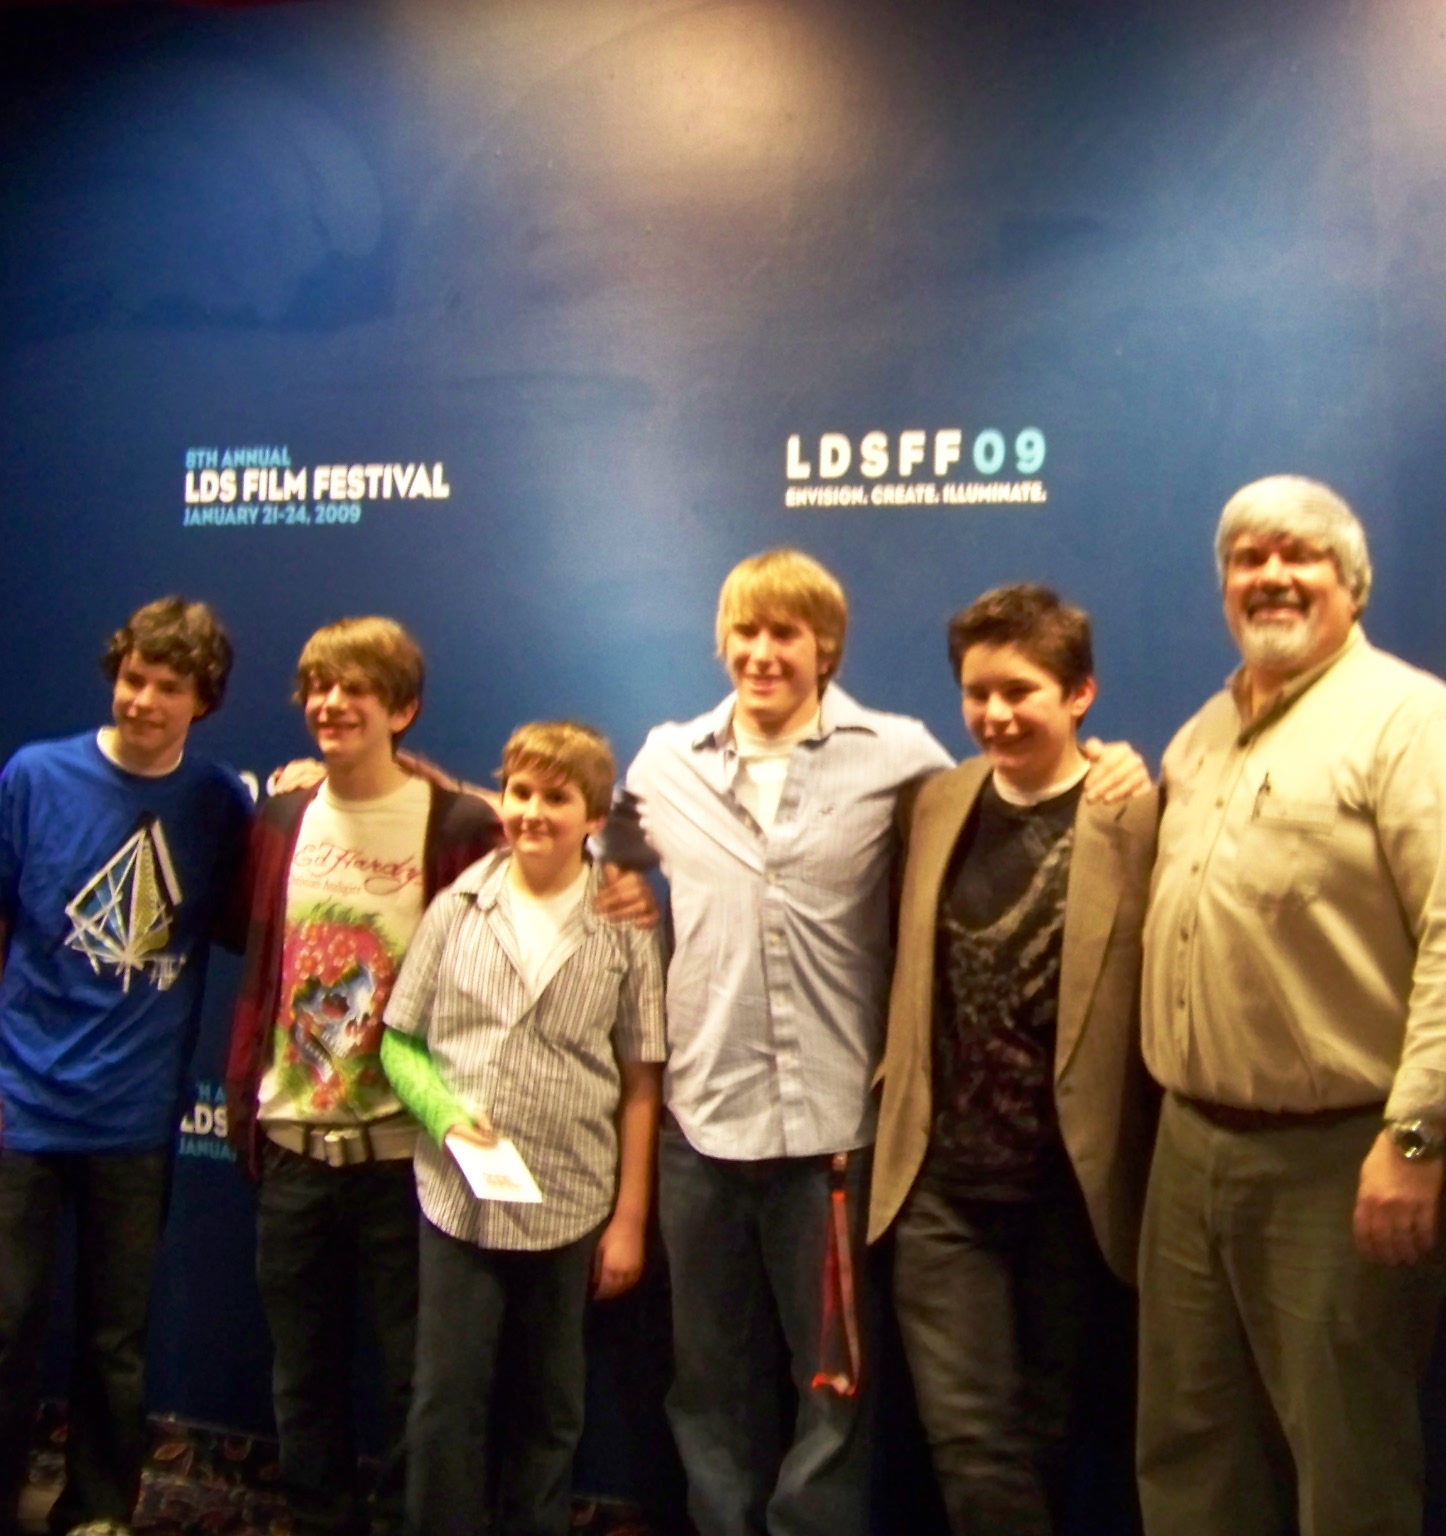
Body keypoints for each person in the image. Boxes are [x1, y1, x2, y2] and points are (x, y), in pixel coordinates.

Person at [598, 549, 1147, 1536]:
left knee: (836, 1396)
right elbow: (598, 848)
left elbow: (1021, 782)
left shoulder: (906, 762)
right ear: (721, 641)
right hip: (700, 1133)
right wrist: (618, 880)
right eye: (745, 632)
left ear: (826, 648)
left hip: (837, 1139)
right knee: (709, 1388)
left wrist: (1113, 759)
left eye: (785, 635)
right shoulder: (660, 764)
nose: (761, 654)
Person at [1136, 475, 1446, 1536]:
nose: (1269, 576)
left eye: (1297, 556)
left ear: (1350, 584)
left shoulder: (1414, 724)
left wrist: (1415, 1134)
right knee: (1189, 1449)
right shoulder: (1199, 737)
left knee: (1345, 1463)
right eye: (1246, 559)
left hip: (1340, 1152)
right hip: (1189, 1146)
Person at [867, 585, 1158, 1536]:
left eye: (1020, 690)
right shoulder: (936, 803)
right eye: (976, 691)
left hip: (1070, 1195)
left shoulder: (1140, 815)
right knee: (969, 1441)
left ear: (1080, 695)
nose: (994, 713)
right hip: (943, 1189)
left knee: (1042, 1434)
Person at [223, 617, 501, 1536]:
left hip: (403, 1158)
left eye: (355, 691)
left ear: (403, 709)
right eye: (318, 689)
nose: (330, 706)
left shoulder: (455, 825)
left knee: (415, 1381)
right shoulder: (278, 816)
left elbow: (538, 882)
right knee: (300, 1375)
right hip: (294, 1146)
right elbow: (248, 945)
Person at [378, 721, 665, 1536]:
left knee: (550, 1410)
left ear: (593, 815)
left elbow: (642, 1080)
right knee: (446, 1405)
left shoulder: (626, 924)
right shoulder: (456, 906)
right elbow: (400, 1042)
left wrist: (631, 1220)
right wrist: (442, 1113)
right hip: (458, 1203)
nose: (532, 811)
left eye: (556, 797)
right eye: (519, 792)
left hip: (570, 1204)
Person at [0, 598, 249, 1536]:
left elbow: (240, 920)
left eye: (168, 686)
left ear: (202, 701)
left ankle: (99, 1510)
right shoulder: (32, 776)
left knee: (114, 1338)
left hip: (135, 1115)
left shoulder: (218, 802)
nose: (143, 699)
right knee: (3, 1325)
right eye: (133, 677)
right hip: (21, 1103)